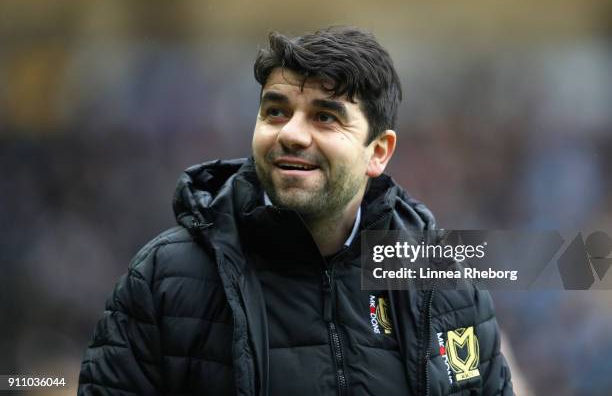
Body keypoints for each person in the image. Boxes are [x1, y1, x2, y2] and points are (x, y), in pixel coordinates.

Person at [78, 27, 513, 395]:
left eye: (324, 117)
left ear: (378, 152)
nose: (291, 133)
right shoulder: (163, 281)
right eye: (275, 111)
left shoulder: (448, 289)